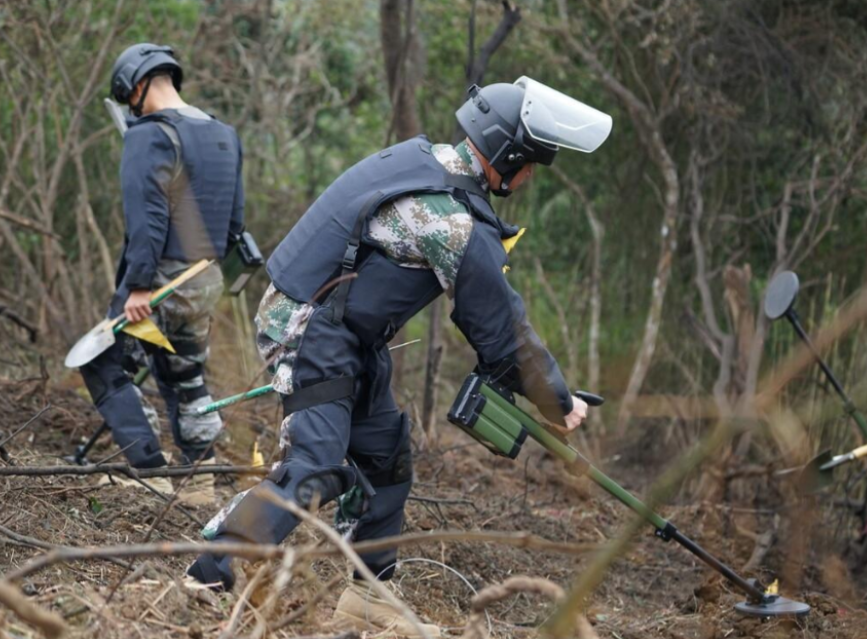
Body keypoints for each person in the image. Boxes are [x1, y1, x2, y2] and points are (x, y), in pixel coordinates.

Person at [187, 77, 611, 635]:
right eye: (531, 163)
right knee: (316, 464)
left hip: (345, 330)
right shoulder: (452, 223)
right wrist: (558, 400)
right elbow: (501, 329)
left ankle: (368, 595)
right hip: (312, 330)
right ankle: (209, 575)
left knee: (385, 455)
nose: (531, 176)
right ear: (507, 156)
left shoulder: (429, 162)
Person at [78, 43, 245, 505]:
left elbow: (146, 220)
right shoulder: (224, 134)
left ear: (135, 87)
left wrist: (137, 286)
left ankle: (148, 471)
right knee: (185, 375)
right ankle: (200, 479)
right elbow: (234, 223)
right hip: (205, 279)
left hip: (158, 284)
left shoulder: (148, 136)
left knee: (103, 363)